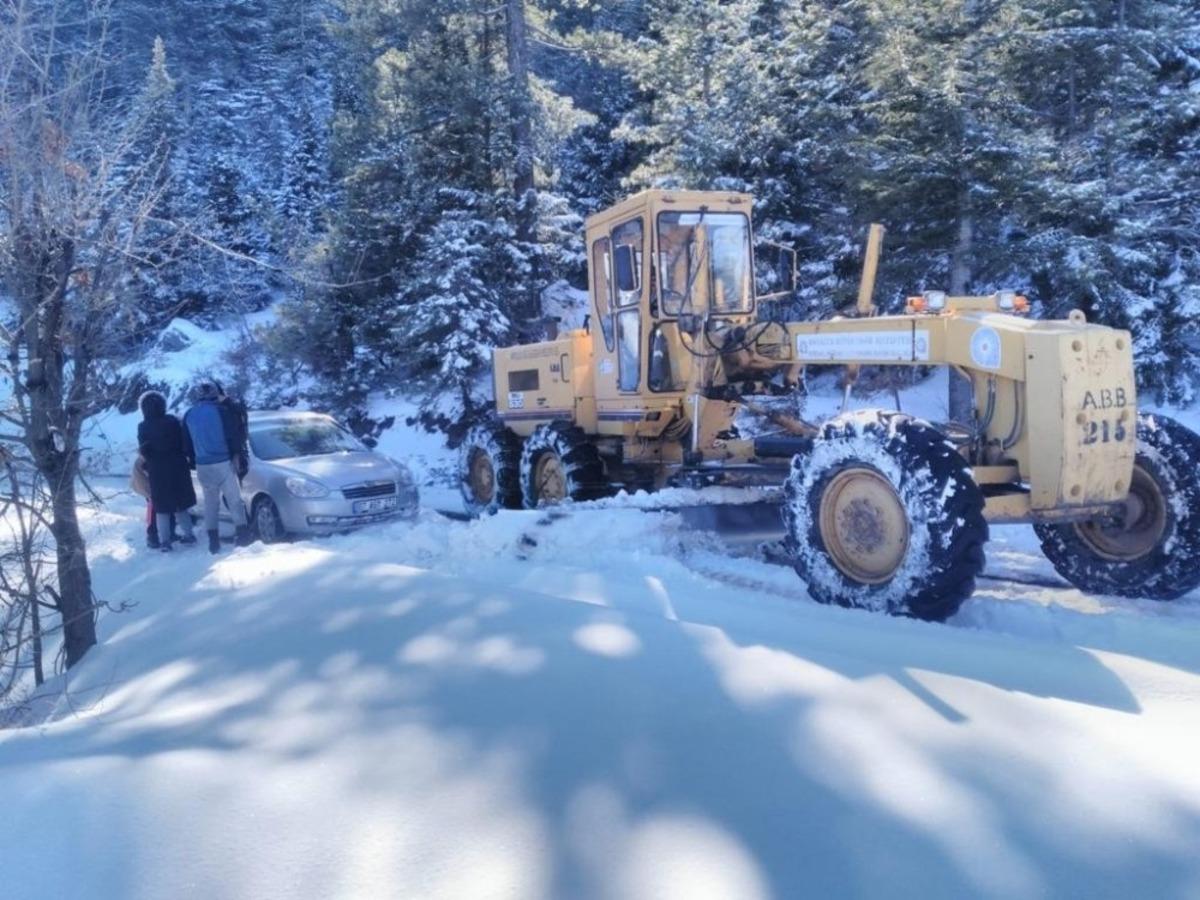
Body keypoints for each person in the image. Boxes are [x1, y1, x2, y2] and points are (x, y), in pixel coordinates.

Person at [183, 381, 250, 554]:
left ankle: (213, 541)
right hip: (223, 461)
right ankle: (242, 535)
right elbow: (234, 433)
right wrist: (236, 454)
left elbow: (187, 442)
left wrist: (193, 461)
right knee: (234, 499)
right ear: (215, 394)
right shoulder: (222, 411)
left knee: (210, 503)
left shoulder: (189, 414)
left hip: (202, 464)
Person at [137, 391, 197, 552]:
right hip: (178, 466)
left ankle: (165, 542)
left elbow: (144, 450)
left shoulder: (143, 427)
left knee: (161, 507)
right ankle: (189, 534)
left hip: (157, 470)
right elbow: (184, 441)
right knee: (181, 504)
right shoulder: (173, 421)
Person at [215, 381, 250, 482]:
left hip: (234, 454)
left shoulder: (228, 411)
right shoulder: (235, 408)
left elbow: (236, 433)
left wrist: (236, 454)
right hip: (238, 452)